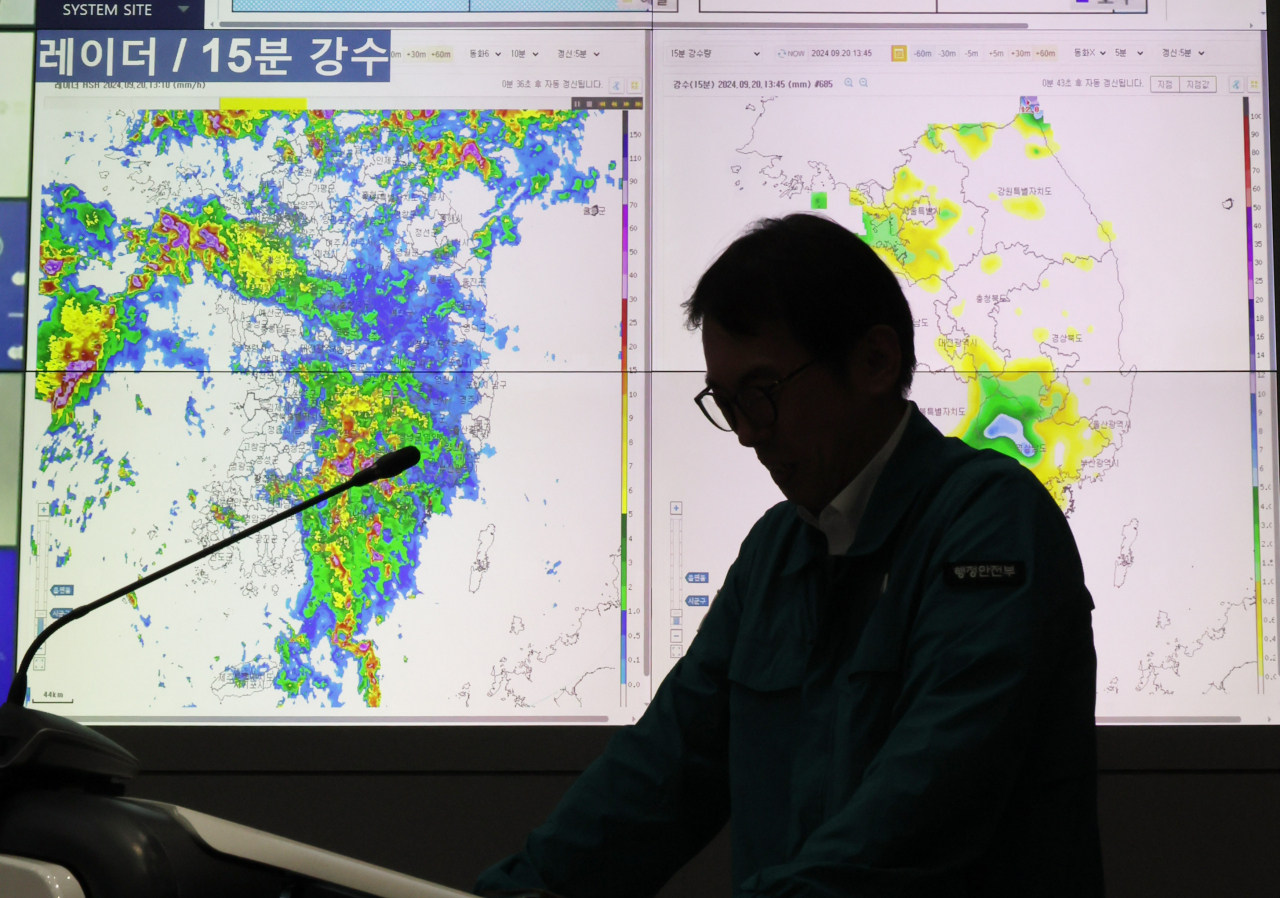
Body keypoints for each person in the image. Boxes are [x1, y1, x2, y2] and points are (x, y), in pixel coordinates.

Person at [475, 214, 1104, 898]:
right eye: (727, 402)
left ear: (875, 361)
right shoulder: (778, 550)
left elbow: (921, 808)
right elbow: (662, 771)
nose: (747, 433)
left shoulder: (990, 525)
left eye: (764, 393)